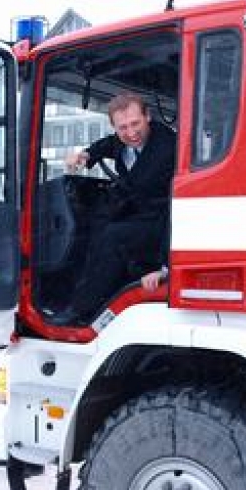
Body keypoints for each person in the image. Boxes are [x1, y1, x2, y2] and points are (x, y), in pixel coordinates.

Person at [55, 92, 175, 324]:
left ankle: (82, 311)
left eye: (135, 124)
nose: (131, 133)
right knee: (95, 227)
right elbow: (109, 144)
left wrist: (165, 268)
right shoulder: (123, 141)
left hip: (161, 223)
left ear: (147, 116)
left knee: (112, 236)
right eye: (123, 128)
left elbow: (163, 204)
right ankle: (91, 289)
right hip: (139, 214)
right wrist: (87, 155)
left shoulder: (166, 148)